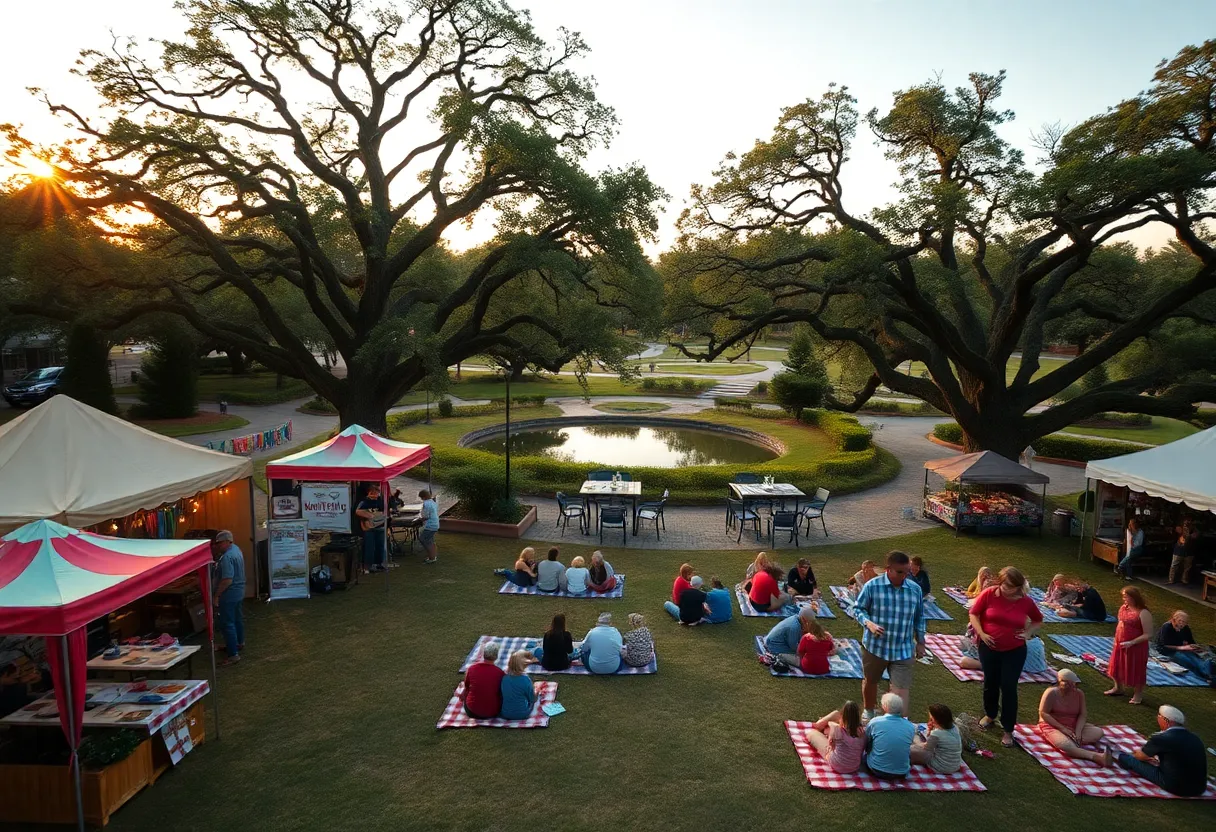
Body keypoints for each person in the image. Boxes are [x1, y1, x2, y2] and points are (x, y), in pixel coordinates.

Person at [969, 566, 1043, 747]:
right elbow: (974, 613)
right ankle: (990, 714)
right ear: (1000, 582)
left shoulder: (1025, 601)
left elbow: (1038, 619)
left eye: (1012, 587)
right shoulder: (988, 594)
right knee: (990, 683)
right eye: (1005, 585)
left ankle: (1008, 729)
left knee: (1009, 686)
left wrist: (1027, 633)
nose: (1008, 590)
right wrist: (982, 634)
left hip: (1014, 650)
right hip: (989, 647)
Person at [853, 551, 926, 722]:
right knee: (871, 681)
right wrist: (869, 624)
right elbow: (858, 609)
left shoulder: (915, 590)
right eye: (900, 572)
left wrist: (921, 642)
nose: (905, 575)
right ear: (888, 570)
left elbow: (920, 617)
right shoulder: (872, 586)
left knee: (901, 688)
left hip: (903, 648)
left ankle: (898, 723)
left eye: (907, 571)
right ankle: (869, 711)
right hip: (875, 647)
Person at [1116, 705, 1208, 797]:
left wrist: (1137, 753)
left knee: (1128, 759)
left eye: (1159, 716)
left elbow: (1140, 756)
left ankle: (1114, 755)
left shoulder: (1161, 738)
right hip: (1199, 788)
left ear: (1166, 721)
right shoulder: (1195, 738)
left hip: (1175, 786)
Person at [1037, 669, 1112, 767]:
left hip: (1073, 724)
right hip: (1053, 725)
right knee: (1065, 745)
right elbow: (1044, 713)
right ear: (1060, 682)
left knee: (1098, 732)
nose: (1072, 687)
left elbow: (1082, 714)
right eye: (1067, 683)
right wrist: (1063, 729)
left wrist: (1078, 732)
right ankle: (1096, 757)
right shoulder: (1051, 693)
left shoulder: (1079, 694)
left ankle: (1073, 741)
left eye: (1073, 684)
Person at [1105, 585, 1152, 705]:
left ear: (1133, 597)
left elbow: (1148, 634)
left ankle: (1138, 694)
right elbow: (1121, 623)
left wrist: (1132, 642)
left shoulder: (1143, 612)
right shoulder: (1124, 608)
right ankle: (1118, 688)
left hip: (1136, 646)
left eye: (1126, 597)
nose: (1124, 599)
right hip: (1120, 642)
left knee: (1136, 669)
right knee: (1115, 665)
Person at [212, 530, 246, 666]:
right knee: (237, 619)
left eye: (220, 543)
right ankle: (239, 643)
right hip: (239, 592)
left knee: (227, 623)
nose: (218, 546)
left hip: (229, 594)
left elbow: (227, 579)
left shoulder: (227, 557)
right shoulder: (236, 550)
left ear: (227, 541)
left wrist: (216, 595)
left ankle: (233, 655)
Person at [864, 693, 916, 780]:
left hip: (877, 769)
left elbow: (866, 741)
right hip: (901, 772)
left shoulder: (875, 722)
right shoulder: (910, 726)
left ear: (884, 707)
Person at [806, 701, 865, 774]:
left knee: (812, 734)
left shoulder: (838, 730)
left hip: (837, 764)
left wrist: (831, 725)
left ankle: (820, 723)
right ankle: (821, 723)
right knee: (835, 716)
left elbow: (831, 743)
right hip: (854, 767)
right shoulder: (863, 732)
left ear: (844, 716)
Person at [1156, 610, 1214, 680]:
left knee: (1197, 659)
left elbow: (1191, 641)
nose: (1182, 624)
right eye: (1180, 621)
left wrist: (1196, 647)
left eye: (1184, 622)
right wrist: (1182, 648)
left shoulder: (1186, 628)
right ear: (1174, 619)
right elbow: (1164, 645)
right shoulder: (1167, 627)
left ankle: (1208, 675)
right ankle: (1206, 676)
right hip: (1168, 651)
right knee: (1187, 661)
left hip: (1183, 649)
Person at [910, 703, 963, 774]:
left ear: (935, 719)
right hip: (955, 765)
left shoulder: (937, 734)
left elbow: (926, 751)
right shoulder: (954, 727)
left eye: (931, 718)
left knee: (909, 751)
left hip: (941, 766)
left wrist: (914, 746)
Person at [461, 642, 504, 719]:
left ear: (484, 654)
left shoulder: (471, 669)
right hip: (493, 712)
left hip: (471, 711)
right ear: (496, 656)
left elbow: (466, 687)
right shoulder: (500, 673)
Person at [355, 484, 387, 574]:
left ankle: (379, 564)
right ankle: (368, 566)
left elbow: (385, 511)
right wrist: (369, 516)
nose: (376, 495)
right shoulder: (364, 501)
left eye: (377, 493)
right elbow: (358, 512)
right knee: (369, 547)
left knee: (380, 546)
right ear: (369, 492)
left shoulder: (381, 500)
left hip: (380, 526)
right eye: (374, 493)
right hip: (369, 527)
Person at [499, 650, 538, 720]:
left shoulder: (504, 678)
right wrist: (537, 691)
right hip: (522, 713)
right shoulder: (526, 680)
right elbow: (533, 699)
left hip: (505, 713)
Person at [1168, 519, 1199, 585]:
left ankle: (1184, 579)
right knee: (1174, 565)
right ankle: (1171, 579)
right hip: (1179, 550)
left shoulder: (1194, 530)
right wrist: (1183, 531)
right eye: (1186, 521)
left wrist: (1189, 535)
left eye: (1189, 521)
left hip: (1189, 551)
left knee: (1187, 567)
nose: (1188, 523)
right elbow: (1177, 530)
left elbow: (1195, 536)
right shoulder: (1180, 528)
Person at [418, 488, 440, 564]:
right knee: (430, 541)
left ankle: (431, 557)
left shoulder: (426, 503)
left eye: (421, 498)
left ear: (423, 497)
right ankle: (433, 556)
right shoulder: (433, 502)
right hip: (435, 524)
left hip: (430, 525)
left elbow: (426, 516)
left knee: (424, 540)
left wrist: (420, 519)